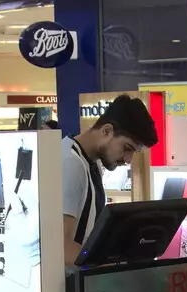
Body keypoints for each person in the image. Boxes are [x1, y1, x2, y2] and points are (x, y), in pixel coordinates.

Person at [62, 94, 158, 263]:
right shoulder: (71, 163)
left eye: (133, 152)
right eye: (127, 148)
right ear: (107, 131)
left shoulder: (90, 163)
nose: (128, 159)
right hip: (66, 285)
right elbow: (62, 247)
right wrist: (111, 265)